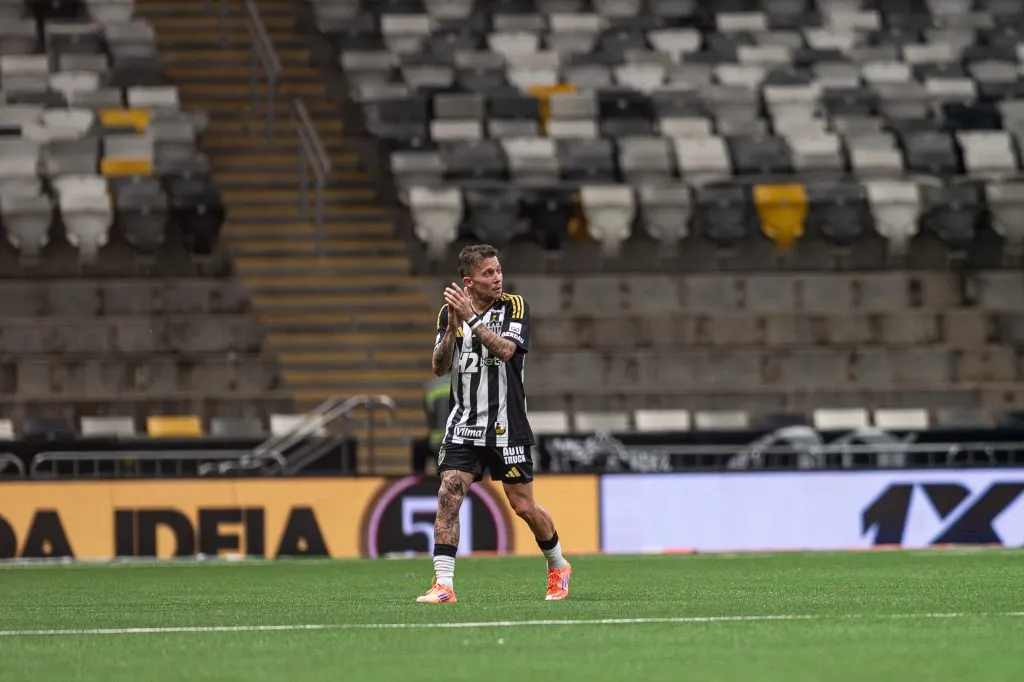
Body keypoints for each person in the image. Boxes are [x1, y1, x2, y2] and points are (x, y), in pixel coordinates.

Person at [416, 244, 572, 604]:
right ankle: (444, 585)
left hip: (507, 426)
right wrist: (452, 329)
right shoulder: (449, 313)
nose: (497, 278)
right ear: (469, 281)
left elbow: (506, 351)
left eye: (498, 270)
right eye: (488, 273)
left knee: (523, 506)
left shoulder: (515, 306)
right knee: (448, 497)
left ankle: (558, 564)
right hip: (464, 425)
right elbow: (439, 367)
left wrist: (471, 319)